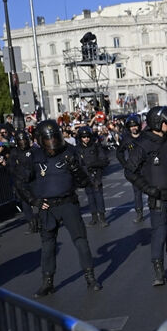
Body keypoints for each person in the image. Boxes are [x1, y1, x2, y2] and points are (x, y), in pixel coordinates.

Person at [15, 120, 101, 297]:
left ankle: (90, 278)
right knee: (47, 246)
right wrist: (34, 201)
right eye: (47, 139)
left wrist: (75, 168)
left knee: (81, 241)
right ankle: (48, 282)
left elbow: (85, 182)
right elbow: (20, 182)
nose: (52, 142)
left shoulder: (70, 152)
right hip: (47, 207)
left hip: (68, 203)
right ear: (40, 140)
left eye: (54, 137)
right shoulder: (34, 156)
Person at [126, 106, 167, 286]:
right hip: (158, 197)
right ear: (157, 122)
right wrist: (148, 189)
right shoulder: (143, 144)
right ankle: (158, 270)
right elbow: (130, 172)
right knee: (160, 233)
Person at [76, 126, 110, 227]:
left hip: (96, 175)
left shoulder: (96, 146)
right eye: (83, 137)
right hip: (85, 176)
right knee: (90, 197)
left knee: (98, 196)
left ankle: (102, 218)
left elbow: (104, 160)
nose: (86, 139)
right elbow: (76, 163)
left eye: (87, 136)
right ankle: (94, 218)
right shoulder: (77, 149)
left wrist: (93, 164)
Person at [116, 114, 145, 223]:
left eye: (136, 126)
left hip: (146, 168)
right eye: (131, 126)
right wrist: (125, 164)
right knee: (137, 192)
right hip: (134, 169)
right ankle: (139, 213)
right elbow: (119, 152)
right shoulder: (126, 139)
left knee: (152, 190)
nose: (134, 128)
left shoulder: (145, 136)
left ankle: (155, 211)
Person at [9, 131, 39, 234]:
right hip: (21, 182)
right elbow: (11, 167)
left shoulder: (34, 150)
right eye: (20, 140)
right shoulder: (14, 152)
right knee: (25, 203)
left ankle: (43, 221)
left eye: (24, 140)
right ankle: (32, 224)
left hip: (34, 181)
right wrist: (20, 174)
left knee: (39, 201)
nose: (23, 142)